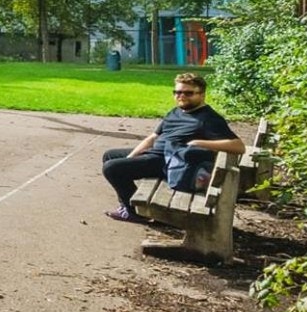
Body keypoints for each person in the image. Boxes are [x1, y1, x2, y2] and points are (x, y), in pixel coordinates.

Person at [101, 72, 245, 222]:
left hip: (170, 162)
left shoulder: (209, 119)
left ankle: (135, 212)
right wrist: (132, 156)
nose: (181, 96)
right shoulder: (176, 111)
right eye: (177, 92)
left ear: (202, 95)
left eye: (188, 93)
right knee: (110, 155)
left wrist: (199, 143)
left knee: (112, 168)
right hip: (155, 153)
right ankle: (126, 204)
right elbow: (153, 137)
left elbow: (239, 146)